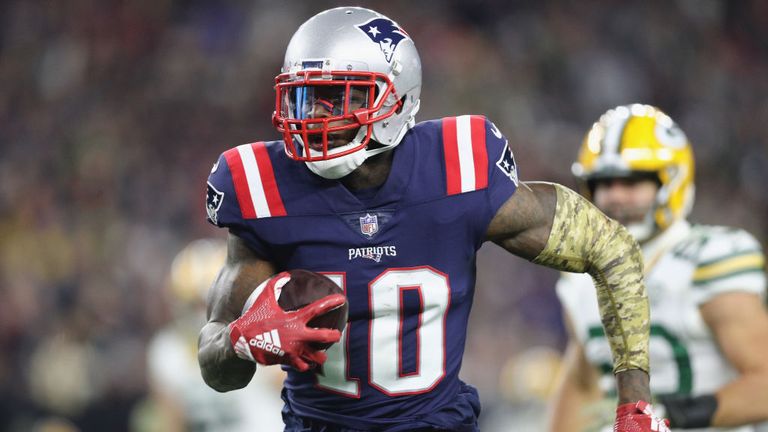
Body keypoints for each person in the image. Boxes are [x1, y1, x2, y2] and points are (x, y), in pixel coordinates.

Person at [198, 7, 669, 431]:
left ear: (396, 100)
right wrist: (241, 340)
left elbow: (611, 249)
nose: (314, 118)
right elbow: (216, 367)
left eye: (336, 98)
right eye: (305, 99)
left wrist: (635, 409)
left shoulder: (459, 167)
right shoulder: (259, 186)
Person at [548, 104, 768, 432]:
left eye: (631, 181)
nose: (614, 197)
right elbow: (583, 384)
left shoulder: (708, 258)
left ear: (671, 182)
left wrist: (666, 418)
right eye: (603, 183)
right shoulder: (582, 276)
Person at [146, 238, 285, 431]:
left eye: (206, 304)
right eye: (194, 305)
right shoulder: (170, 350)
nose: (200, 314)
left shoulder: (168, 351)